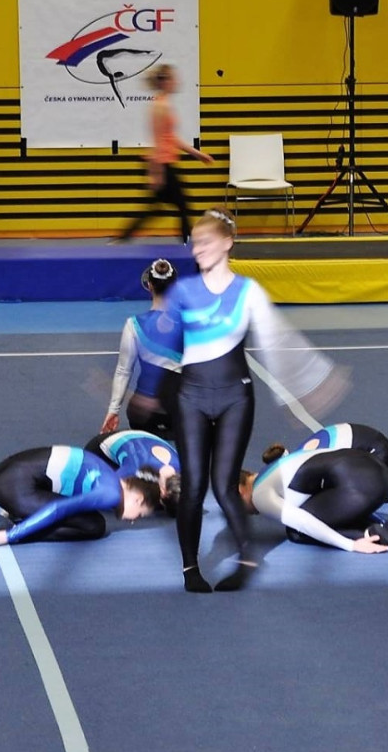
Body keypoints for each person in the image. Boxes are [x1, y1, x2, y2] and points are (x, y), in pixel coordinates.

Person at [163, 208, 346, 592]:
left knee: (224, 485)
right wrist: (146, 392)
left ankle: (247, 560)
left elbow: (277, 344)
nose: (198, 249)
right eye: (195, 243)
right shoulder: (182, 291)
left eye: (206, 242)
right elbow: (167, 345)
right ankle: (190, 569)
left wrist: (303, 390)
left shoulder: (247, 292)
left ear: (228, 243)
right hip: (191, 399)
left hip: (235, 399)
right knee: (193, 486)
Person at [0, 445, 161, 547]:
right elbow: (59, 508)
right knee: (94, 526)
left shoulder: (112, 478)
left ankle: (7, 520)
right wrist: (8, 537)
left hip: (4, 476)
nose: (133, 521)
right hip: (12, 488)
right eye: (139, 514)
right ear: (138, 499)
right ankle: (6, 529)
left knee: (88, 516)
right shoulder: (111, 494)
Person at [238, 448, 388, 552]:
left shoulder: (260, 495)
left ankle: (372, 532)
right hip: (380, 474)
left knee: (296, 532)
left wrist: (351, 545)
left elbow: (303, 522)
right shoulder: (277, 465)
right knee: (323, 502)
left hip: (364, 489)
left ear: (240, 491)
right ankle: (382, 523)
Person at [116, 65, 213, 242]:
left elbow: (170, 137)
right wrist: (156, 173)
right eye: (173, 78)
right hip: (162, 164)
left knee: (157, 208)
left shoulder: (163, 103)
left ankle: (122, 238)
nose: (176, 81)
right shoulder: (160, 106)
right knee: (182, 206)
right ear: (165, 82)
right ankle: (187, 245)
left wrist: (197, 154)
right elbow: (159, 141)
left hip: (164, 162)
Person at [101, 258, 182, 439]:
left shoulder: (134, 325)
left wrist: (113, 410)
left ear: (149, 286)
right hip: (179, 413)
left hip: (142, 413)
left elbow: (123, 371)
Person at [263, 422, 388, 502]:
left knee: (335, 485)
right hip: (373, 441)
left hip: (380, 455)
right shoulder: (297, 454)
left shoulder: (306, 465)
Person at [86, 428, 181, 514]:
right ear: (163, 493)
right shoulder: (135, 469)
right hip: (100, 449)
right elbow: (106, 491)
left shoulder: (185, 468)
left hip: (141, 436)